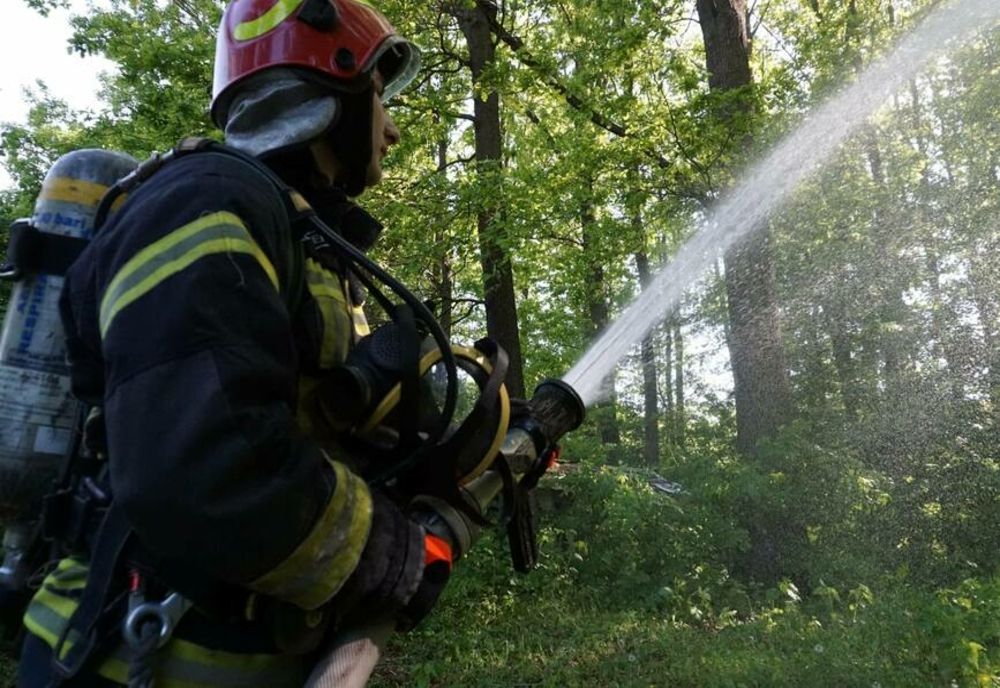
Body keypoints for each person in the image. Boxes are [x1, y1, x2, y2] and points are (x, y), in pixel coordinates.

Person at [17, 0, 454, 685]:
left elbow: (302, 424)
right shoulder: (209, 203)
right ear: (329, 95)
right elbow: (204, 464)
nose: (393, 130)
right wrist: (390, 556)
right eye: (378, 96)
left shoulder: (299, 240)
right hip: (126, 660)